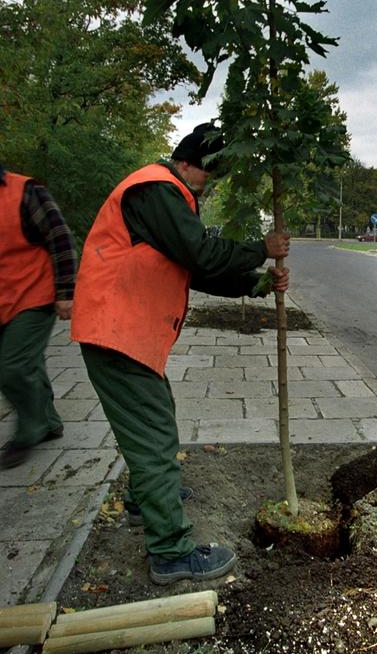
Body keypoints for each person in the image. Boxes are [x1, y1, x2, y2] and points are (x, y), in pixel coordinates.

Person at [71, 123, 290, 585]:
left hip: (126, 333)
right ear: (189, 163)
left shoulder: (166, 197)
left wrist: (259, 282)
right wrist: (260, 249)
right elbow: (203, 254)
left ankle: (143, 498)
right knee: (153, 438)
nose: (210, 185)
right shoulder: (157, 188)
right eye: (209, 174)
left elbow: (197, 269)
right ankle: (171, 552)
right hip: (117, 332)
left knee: (157, 417)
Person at [0, 164, 77, 469]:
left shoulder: (26, 191)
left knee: (12, 366)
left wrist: (66, 291)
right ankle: (48, 422)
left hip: (34, 293)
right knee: (27, 362)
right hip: (3, 298)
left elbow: (60, 238)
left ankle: (28, 431)